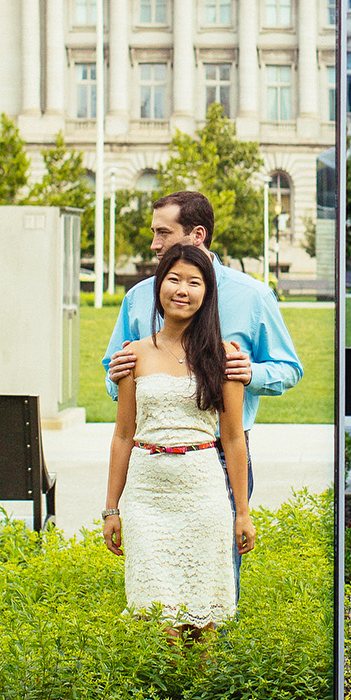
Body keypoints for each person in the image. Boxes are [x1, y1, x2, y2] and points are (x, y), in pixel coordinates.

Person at [104, 190, 303, 584]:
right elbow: (115, 378)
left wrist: (249, 374)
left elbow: (289, 368)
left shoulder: (253, 295)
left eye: (163, 232)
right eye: (153, 232)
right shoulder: (138, 298)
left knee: (216, 579)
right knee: (155, 583)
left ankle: (215, 645)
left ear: (197, 235)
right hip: (152, 462)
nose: (154, 243)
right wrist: (118, 376)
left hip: (221, 456)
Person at [101, 242, 255, 631]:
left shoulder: (224, 357)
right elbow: (123, 435)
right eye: (173, 279)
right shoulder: (132, 355)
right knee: (158, 620)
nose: (181, 290)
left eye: (194, 282)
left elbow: (234, 438)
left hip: (202, 495)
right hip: (147, 497)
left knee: (203, 624)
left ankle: (199, 692)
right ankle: (169, 692)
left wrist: (242, 513)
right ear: (158, 286)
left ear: (207, 294)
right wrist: (111, 508)